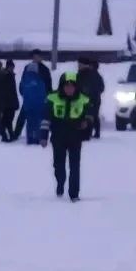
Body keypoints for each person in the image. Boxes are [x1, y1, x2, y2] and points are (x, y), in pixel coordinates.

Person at [40, 71, 91, 202]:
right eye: (66, 85)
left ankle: (74, 194)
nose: (69, 88)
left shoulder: (83, 100)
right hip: (58, 137)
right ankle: (60, 182)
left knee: (75, 166)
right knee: (59, 165)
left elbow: (90, 117)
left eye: (72, 86)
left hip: (75, 137)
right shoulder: (52, 98)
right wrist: (43, 136)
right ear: (62, 86)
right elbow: (46, 119)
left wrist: (86, 126)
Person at [16, 61, 49, 144]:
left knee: (30, 123)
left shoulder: (24, 80)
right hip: (39, 106)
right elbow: (43, 92)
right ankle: (37, 139)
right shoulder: (39, 80)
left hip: (27, 105)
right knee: (38, 122)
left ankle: (30, 139)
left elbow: (21, 90)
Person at [76, 57, 105, 139]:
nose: (78, 66)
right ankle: (87, 132)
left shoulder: (92, 75)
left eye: (79, 65)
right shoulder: (80, 74)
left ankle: (91, 133)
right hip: (82, 99)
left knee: (91, 115)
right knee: (86, 115)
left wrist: (90, 93)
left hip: (92, 99)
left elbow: (100, 87)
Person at [0, 60, 20, 141]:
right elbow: (4, 91)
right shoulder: (5, 76)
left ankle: (10, 135)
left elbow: (13, 91)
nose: (12, 68)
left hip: (11, 102)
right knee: (6, 121)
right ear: (7, 67)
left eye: (12, 67)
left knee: (9, 120)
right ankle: (5, 136)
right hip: (6, 103)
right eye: (10, 67)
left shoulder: (11, 76)